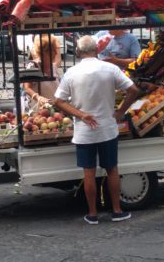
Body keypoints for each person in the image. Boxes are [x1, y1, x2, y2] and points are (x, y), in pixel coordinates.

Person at [54, 35, 140, 225]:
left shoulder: (71, 73)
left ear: (77, 52)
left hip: (84, 132)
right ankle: (117, 210)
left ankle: (92, 214)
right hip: (108, 128)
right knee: (112, 170)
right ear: (98, 50)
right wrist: (120, 112)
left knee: (89, 173)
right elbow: (133, 90)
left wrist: (81, 115)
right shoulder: (110, 69)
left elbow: (58, 101)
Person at [23, 34, 61, 112]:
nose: (55, 53)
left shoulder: (54, 67)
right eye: (51, 50)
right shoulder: (33, 66)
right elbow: (27, 88)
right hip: (38, 111)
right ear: (42, 52)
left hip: (53, 111)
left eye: (55, 50)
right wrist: (38, 98)